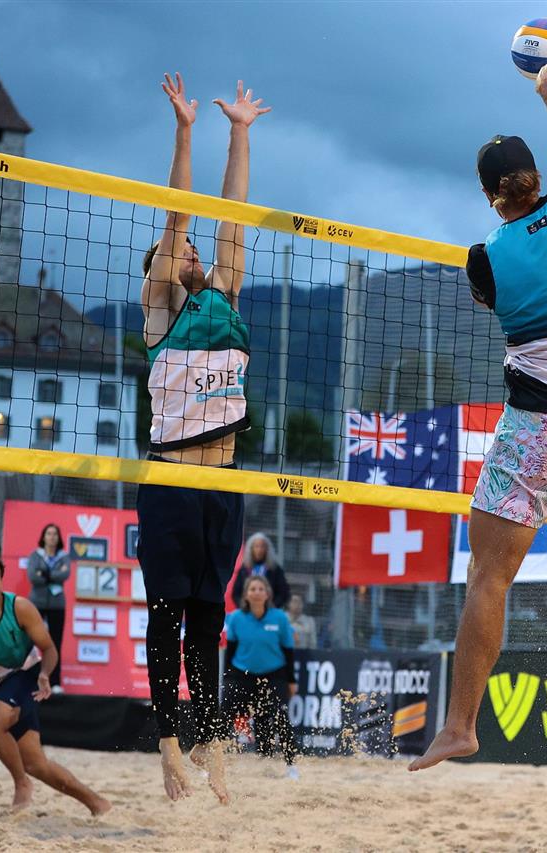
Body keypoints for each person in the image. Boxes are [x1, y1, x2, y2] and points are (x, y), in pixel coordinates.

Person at [411, 60, 547, 771]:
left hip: (541, 428)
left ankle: (460, 726)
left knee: (489, 577)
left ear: (488, 195)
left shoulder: (485, 260)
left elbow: (500, 296)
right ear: (540, 175)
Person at [138, 72, 270, 803]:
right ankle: (168, 744)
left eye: (194, 250)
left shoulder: (223, 296)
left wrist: (240, 132)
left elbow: (232, 216)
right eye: (182, 250)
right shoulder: (162, 309)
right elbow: (180, 214)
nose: (192, 253)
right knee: (167, 616)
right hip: (170, 480)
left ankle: (211, 739)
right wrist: (185, 132)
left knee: (209, 620)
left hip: (223, 483)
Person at [0, 554, 110, 816]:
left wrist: (45, 674)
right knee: (36, 764)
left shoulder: (19, 607)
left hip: (26, 673)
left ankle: (21, 783)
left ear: (1, 580)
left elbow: (49, 648)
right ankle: (97, 804)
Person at [223, 576, 298, 778]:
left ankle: (291, 767)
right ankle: (212, 763)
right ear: (246, 594)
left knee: (281, 718)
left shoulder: (279, 618)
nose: (256, 592)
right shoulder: (236, 618)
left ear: (267, 594)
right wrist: (227, 679)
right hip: (241, 674)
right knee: (223, 716)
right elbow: (230, 651)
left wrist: (291, 680)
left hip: (274, 674)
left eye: (260, 589)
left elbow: (288, 651)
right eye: (252, 589)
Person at [26, 522, 70, 693]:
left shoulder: (63, 556)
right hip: (37, 603)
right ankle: (28, 679)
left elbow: (65, 574)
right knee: (30, 642)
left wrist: (43, 573)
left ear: (59, 538)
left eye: (55, 534)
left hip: (57, 605)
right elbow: (32, 576)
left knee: (55, 643)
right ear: (43, 537)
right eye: (49, 534)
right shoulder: (35, 555)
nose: (52, 537)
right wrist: (53, 576)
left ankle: (55, 682)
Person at [230, 532, 290, 609]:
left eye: (262, 546)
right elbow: (236, 594)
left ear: (267, 549)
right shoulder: (244, 569)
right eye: (256, 546)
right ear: (251, 549)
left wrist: (272, 607)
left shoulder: (275, 569)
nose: (259, 550)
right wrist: (244, 607)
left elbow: (283, 593)